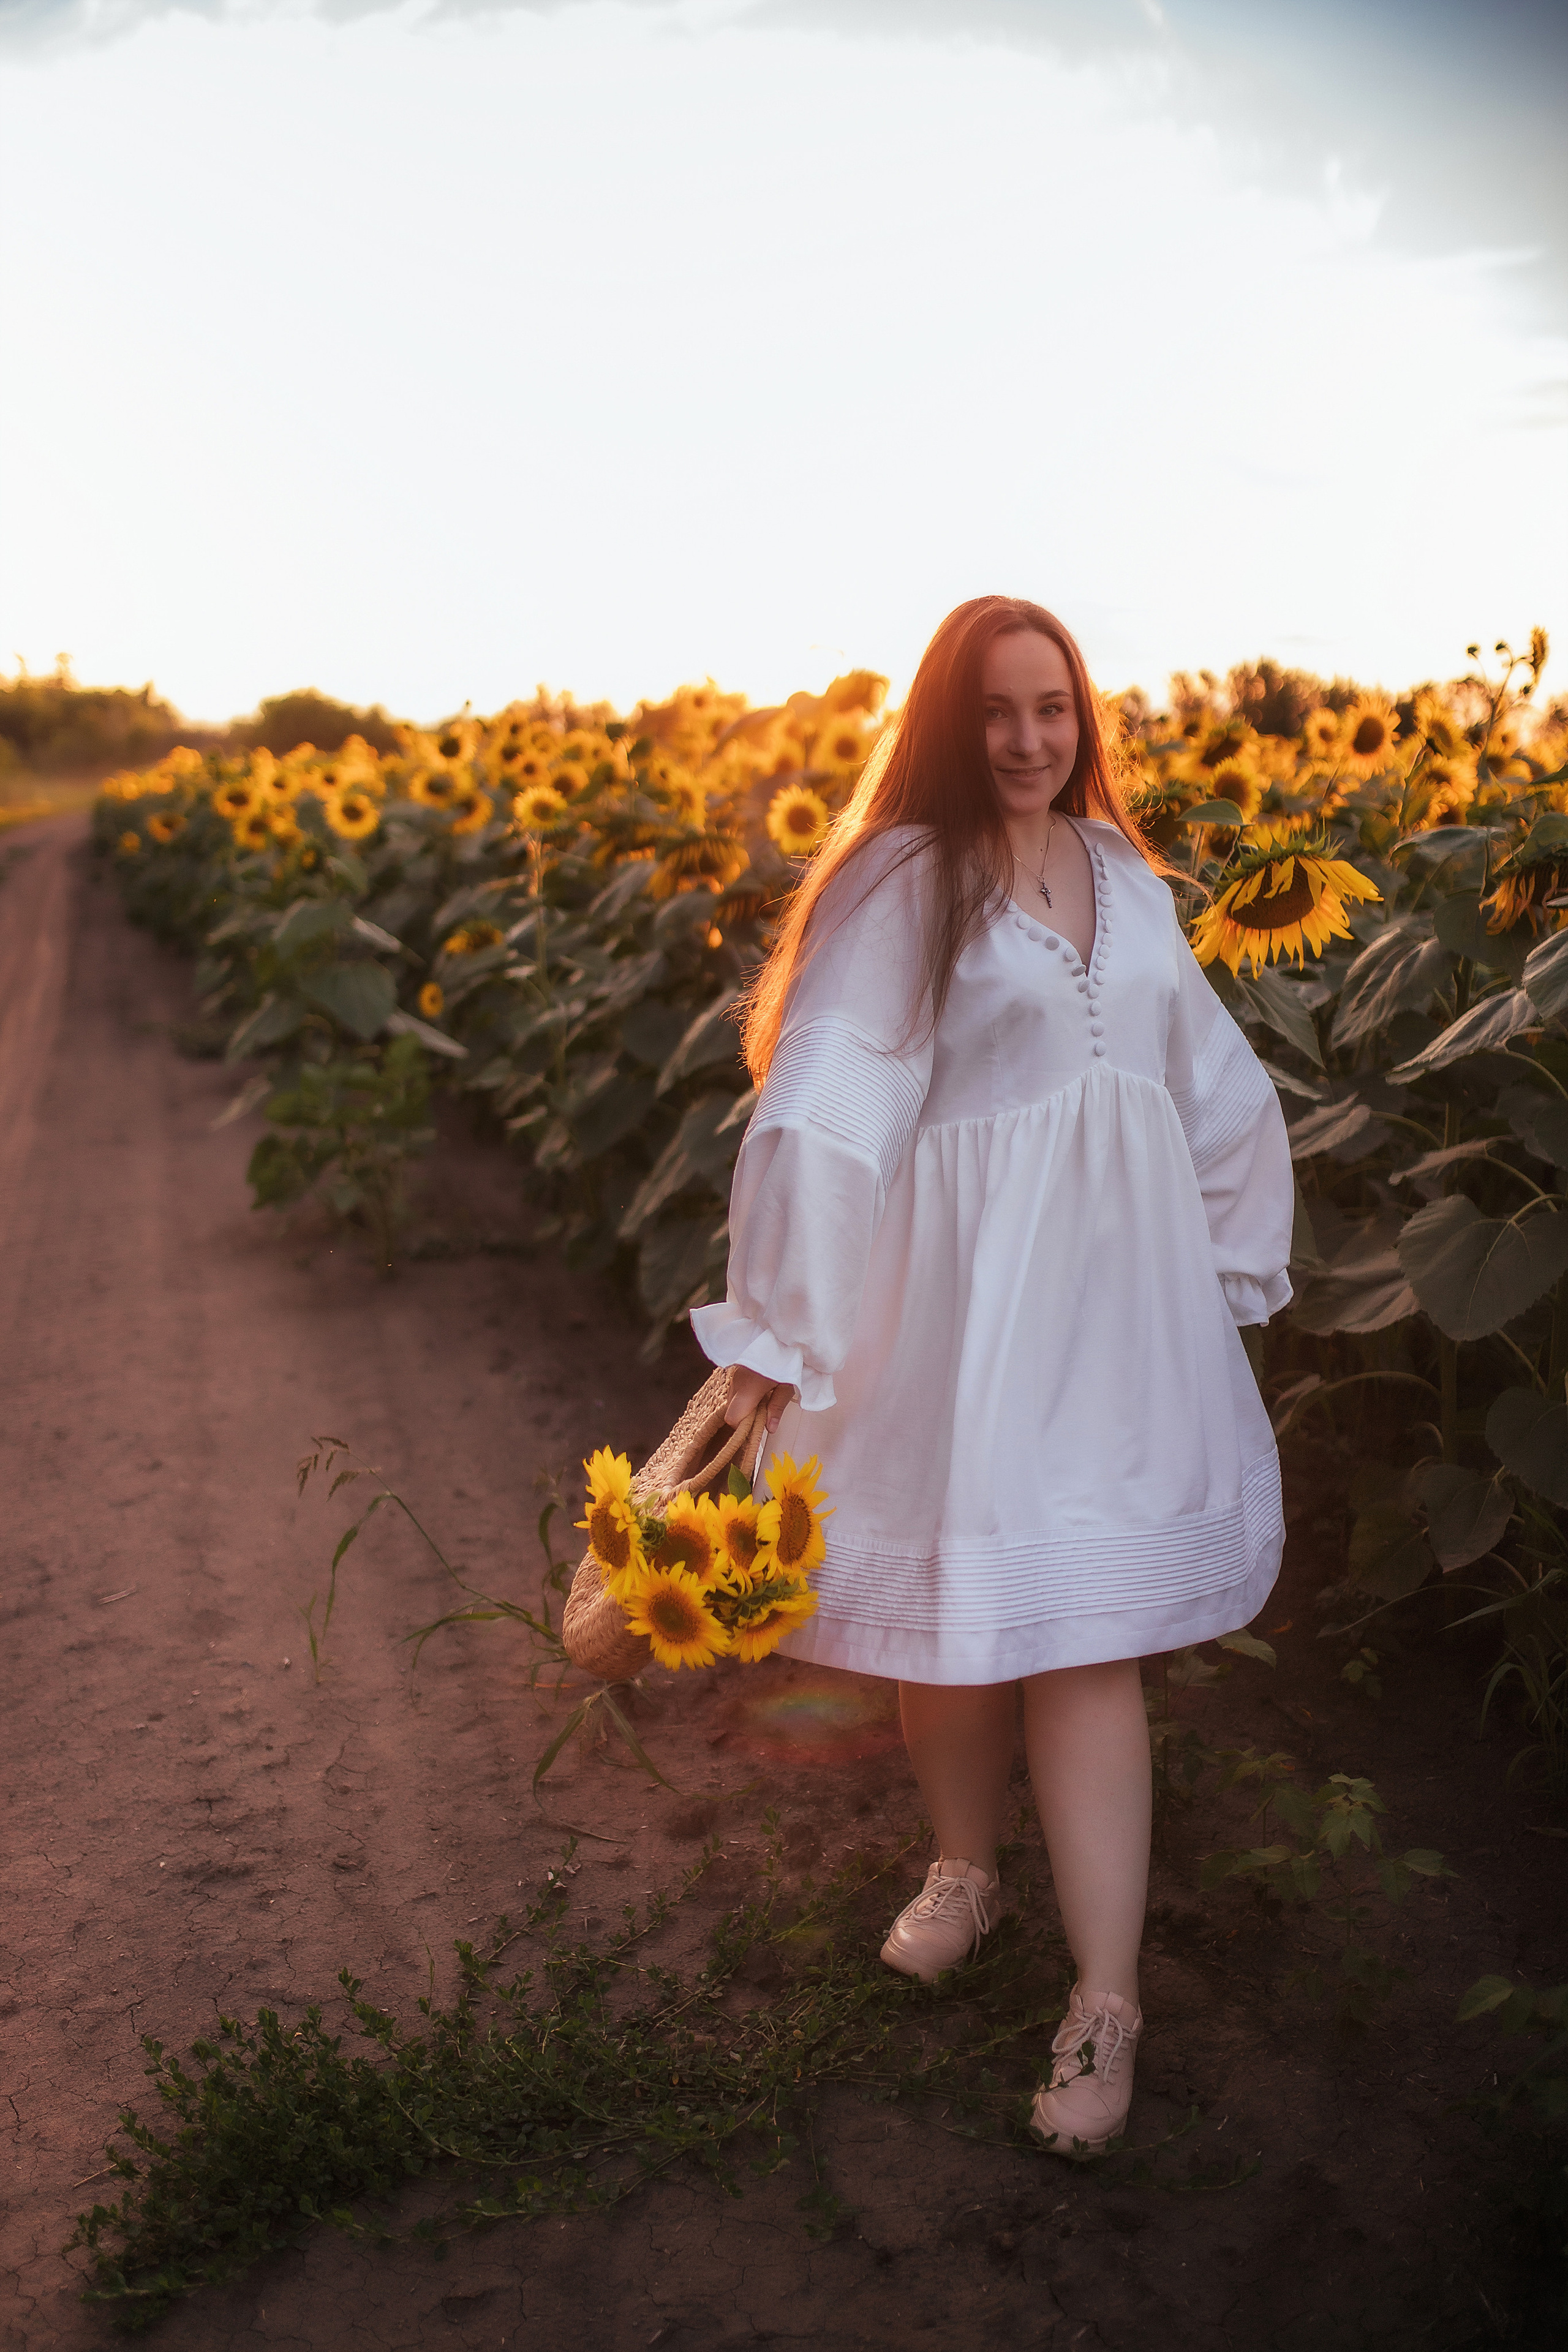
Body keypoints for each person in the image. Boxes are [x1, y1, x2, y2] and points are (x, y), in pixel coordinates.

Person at [690, 595, 1294, 2158]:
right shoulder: (907, 878)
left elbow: (1203, 1076)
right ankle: (964, 1866)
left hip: (1121, 1309)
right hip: (956, 1303)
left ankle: (1104, 2003)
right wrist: (779, 1326)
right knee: (957, 1621)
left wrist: (1227, 1260)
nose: (1030, 740)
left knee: (1086, 1642)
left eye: (1053, 709)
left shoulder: (1125, 879)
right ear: (946, 728)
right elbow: (829, 1097)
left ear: (1082, 718)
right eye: (997, 713)